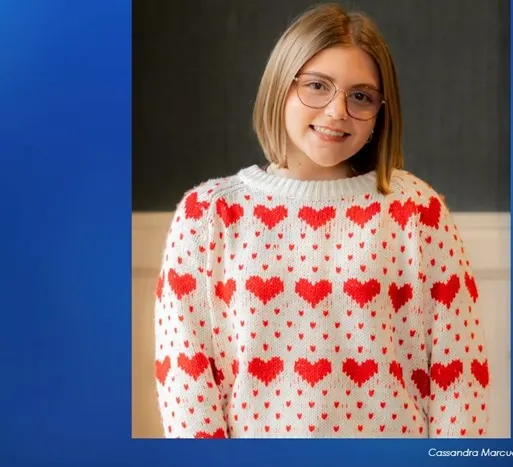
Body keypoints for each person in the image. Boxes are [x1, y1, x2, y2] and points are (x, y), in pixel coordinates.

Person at [153, 3, 490, 438]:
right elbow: (187, 380)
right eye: (317, 86)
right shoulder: (207, 214)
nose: (337, 112)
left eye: (361, 96)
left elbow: (458, 378)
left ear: (379, 113)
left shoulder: (416, 210)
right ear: (281, 86)